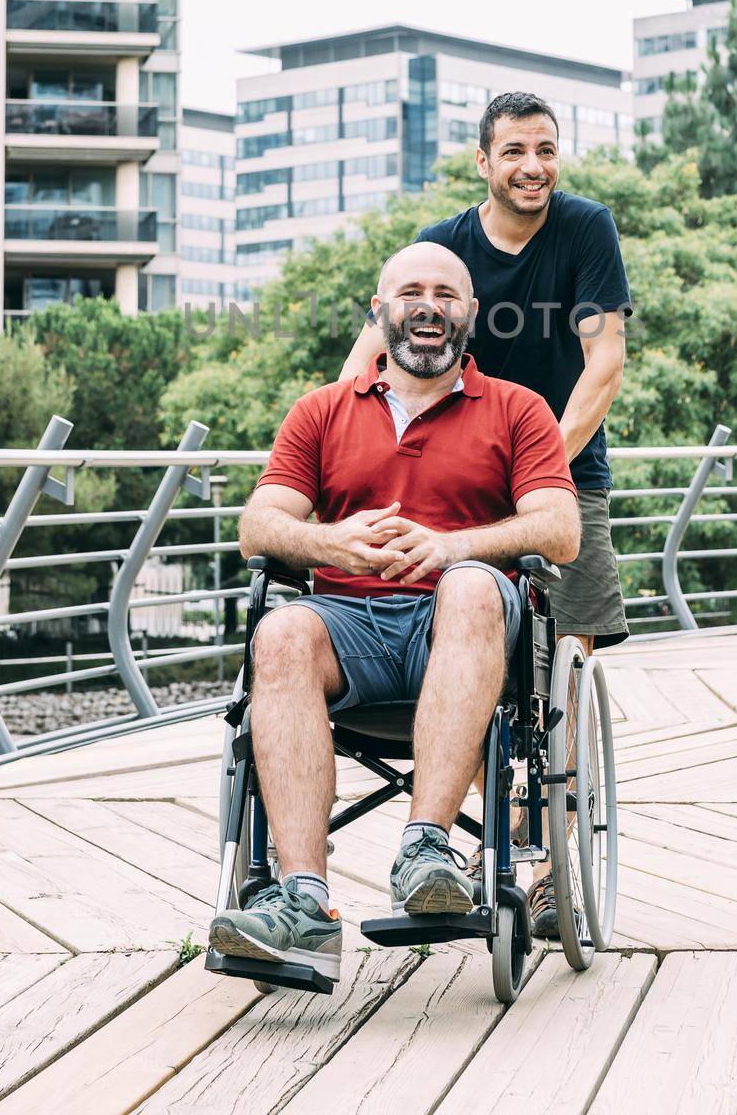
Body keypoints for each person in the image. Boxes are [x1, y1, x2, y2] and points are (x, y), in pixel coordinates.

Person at [209, 240, 580, 983]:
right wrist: (332, 543)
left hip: (464, 632)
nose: (428, 307)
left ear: (471, 314)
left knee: (474, 585)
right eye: (410, 292)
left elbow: (560, 530)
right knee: (279, 630)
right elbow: (259, 525)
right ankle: (302, 903)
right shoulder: (320, 412)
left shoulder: (517, 409)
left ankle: (425, 850)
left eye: (446, 294)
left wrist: (452, 548)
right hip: (351, 629)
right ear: (378, 312)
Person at [340, 90, 631, 935]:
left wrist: (537, 467)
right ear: (483, 162)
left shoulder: (584, 230)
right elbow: (372, 355)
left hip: (561, 474)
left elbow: (603, 361)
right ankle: (502, 837)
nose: (532, 166)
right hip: (458, 479)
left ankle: (553, 856)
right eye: (513, 152)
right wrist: (326, 438)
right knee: (479, 661)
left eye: (544, 149)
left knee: (560, 677)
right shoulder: (447, 250)